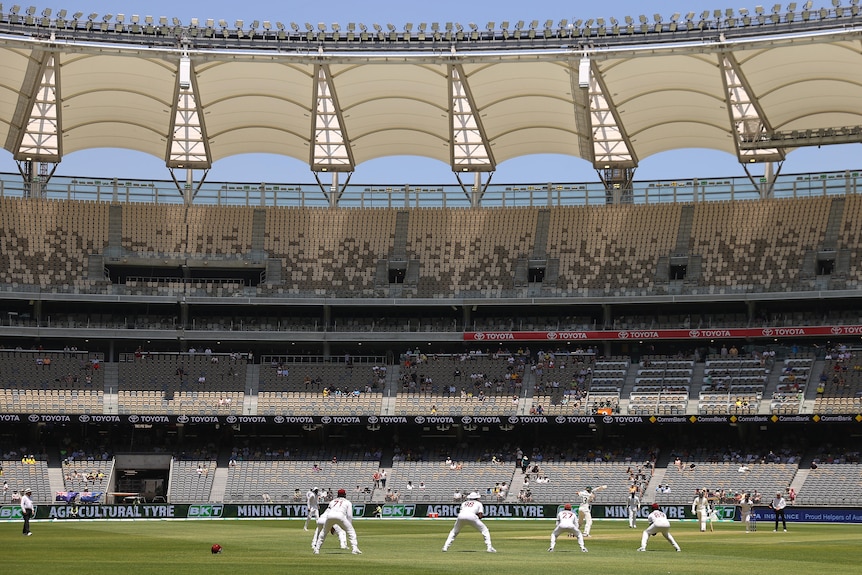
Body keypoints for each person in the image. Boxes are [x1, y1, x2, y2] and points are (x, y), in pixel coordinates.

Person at [313, 489, 362, 555]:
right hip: (340, 515)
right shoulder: (347, 502)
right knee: (351, 531)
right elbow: (349, 515)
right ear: (345, 495)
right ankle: (354, 548)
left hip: (330, 516)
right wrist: (349, 525)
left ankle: (317, 549)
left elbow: (329, 510)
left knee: (324, 532)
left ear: (338, 495)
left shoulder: (332, 501)